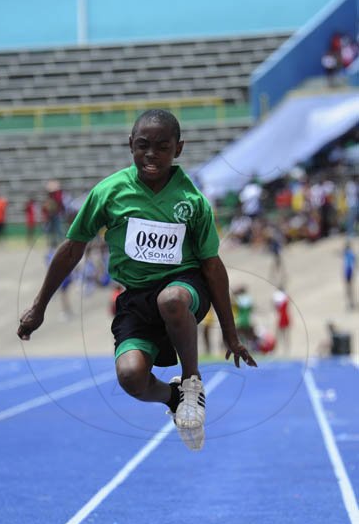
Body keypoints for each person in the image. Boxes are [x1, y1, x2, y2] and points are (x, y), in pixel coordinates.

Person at [17, 109, 257, 451]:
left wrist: (230, 335)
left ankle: (191, 384)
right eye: (143, 145)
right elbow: (72, 249)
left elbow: (213, 268)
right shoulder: (109, 192)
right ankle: (173, 397)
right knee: (131, 378)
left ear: (179, 149)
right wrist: (38, 307)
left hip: (184, 286)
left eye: (162, 146)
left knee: (171, 299)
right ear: (130, 145)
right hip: (135, 297)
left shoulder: (192, 201)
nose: (151, 154)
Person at [343, 241, 356, 310]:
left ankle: (351, 303)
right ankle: (351, 303)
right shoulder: (348, 253)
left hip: (349, 273)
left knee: (349, 289)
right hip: (348, 273)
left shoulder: (349, 253)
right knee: (349, 289)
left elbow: (352, 263)